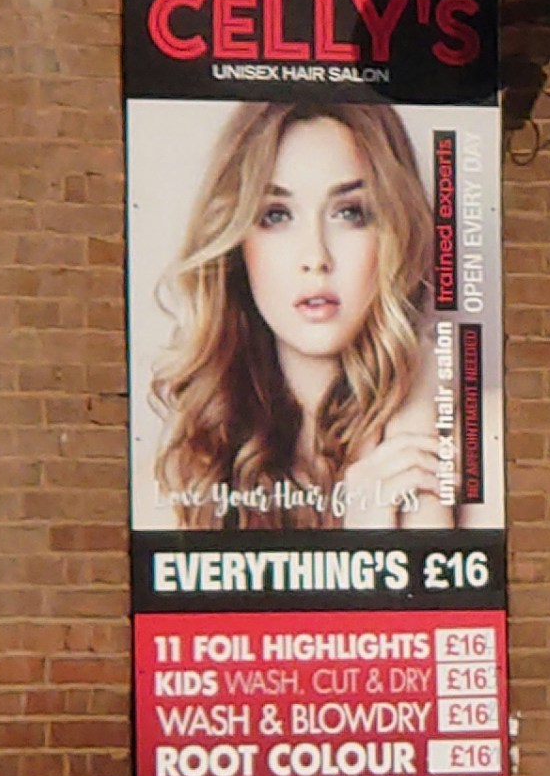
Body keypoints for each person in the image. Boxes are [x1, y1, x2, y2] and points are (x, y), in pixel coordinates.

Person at [143, 96, 453, 530]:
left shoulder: (475, 442)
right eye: (276, 215)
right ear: (235, 245)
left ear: (395, 233)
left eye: (350, 213)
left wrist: (420, 393)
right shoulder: (180, 475)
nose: (316, 256)